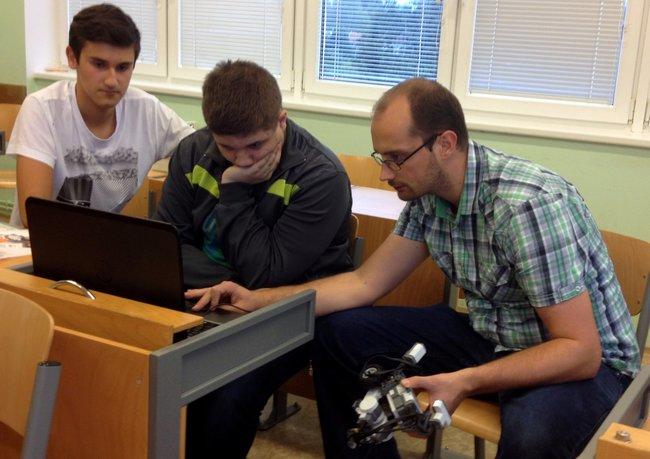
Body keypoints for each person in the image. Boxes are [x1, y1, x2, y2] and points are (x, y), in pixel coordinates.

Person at [188, 78, 640, 459]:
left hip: (583, 364)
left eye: (396, 158)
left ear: (445, 144)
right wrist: (257, 299)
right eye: (381, 157)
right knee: (337, 333)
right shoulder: (427, 197)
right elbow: (364, 283)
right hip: (492, 337)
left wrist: (465, 380)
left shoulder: (525, 206)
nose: (385, 173)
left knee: (534, 436)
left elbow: (579, 351)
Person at [155, 59, 353, 457]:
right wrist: (225, 284)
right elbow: (165, 244)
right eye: (228, 147)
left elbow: (267, 274)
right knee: (146, 366)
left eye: (256, 146)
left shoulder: (320, 175)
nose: (243, 160)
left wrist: (234, 188)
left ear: (281, 120)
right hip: (206, 298)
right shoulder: (193, 151)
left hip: (289, 315)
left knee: (227, 396)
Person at [7, 3, 193, 227]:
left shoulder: (148, 111)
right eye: (99, 64)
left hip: (103, 243)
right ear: (72, 57)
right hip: (38, 243)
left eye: (123, 67)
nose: (112, 81)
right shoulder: (42, 108)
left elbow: (201, 150)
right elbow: (35, 218)